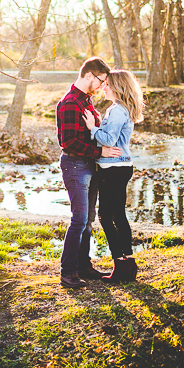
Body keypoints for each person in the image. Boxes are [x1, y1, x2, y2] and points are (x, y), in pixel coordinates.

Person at [55, 57, 121, 288]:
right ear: (89, 76)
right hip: (75, 166)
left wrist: (98, 125)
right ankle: (68, 272)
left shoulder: (86, 101)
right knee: (79, 219)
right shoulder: (70, 103)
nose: (103, 86)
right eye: (101, 81)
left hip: (89, 165)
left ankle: (83, 265)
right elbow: (69, 142)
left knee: (88, 220)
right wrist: (100, 150)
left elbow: (90, 132)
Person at [83, 69, 144, 283]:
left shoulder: (117, 111)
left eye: (107, 84)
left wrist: (92, 128)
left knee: (106, 216)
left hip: (113, 168)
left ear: (117, 87)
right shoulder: (119, 109)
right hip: (120, 167)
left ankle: (120, 266)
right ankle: (129, 264)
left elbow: (109, 140)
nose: (103, 87)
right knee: (118, 215)